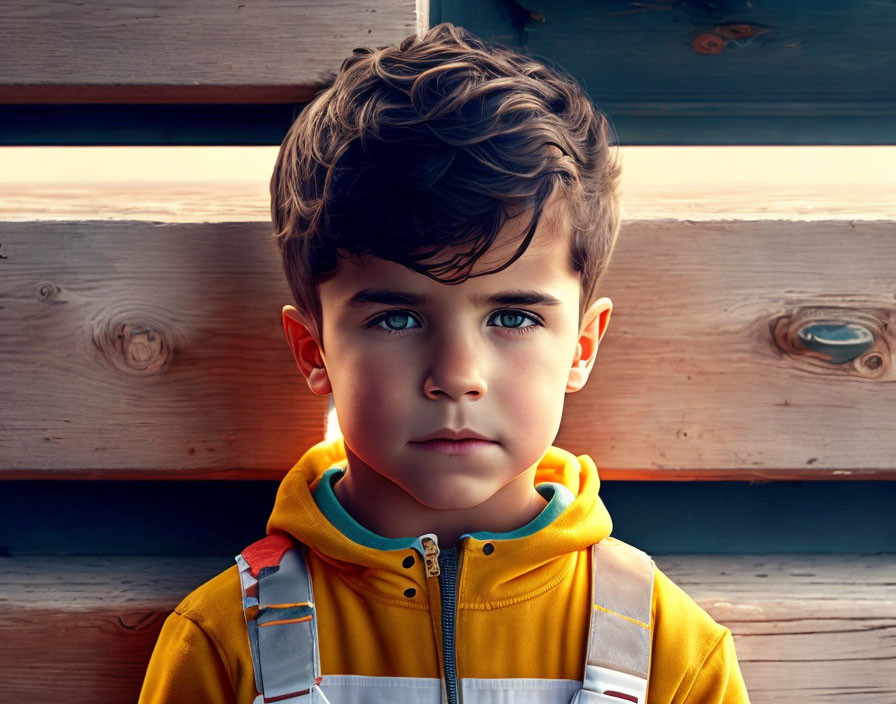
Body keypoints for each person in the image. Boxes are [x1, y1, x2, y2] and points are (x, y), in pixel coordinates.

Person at [139, 22, 750, 704]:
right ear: (314, 352)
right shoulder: (226, 646)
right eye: (397, 318)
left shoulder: (669, 651)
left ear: (582, 345)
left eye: (513, 317)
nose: (457, 375)